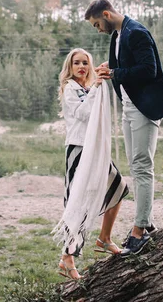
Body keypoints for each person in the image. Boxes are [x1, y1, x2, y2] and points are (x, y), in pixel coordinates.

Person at [85, 0, 163, 257]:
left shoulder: (136, 32)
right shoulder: (118, 35)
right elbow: (125, 66)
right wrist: (110, 67)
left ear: (106, 14)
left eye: (96, 24)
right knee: (135, 166)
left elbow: (148, 69)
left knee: (142, 166)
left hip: (144, 108)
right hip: (129, 106)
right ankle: (146, 221)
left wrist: (115, 73)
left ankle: (139, 231)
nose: (98, 29)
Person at [52, 48, 129, 280]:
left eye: (85, 63)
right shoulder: (71, 88)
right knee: (77, 203)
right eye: (77, 63)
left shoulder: (91, 87)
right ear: (70, 67)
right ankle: (67, 258)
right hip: (78, 149)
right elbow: (83, 114)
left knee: (119, 186)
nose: (82, 67)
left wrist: (101, 80)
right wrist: (96, 87)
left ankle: (104, 238)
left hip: (95, 150)